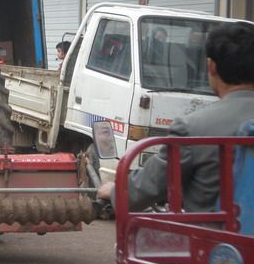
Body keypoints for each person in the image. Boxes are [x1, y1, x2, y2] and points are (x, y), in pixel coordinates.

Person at [97, 21, 254, 212]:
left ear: (211, 66)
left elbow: (146, 189)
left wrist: (115, 191)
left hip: (212, 238)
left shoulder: (194, 128)